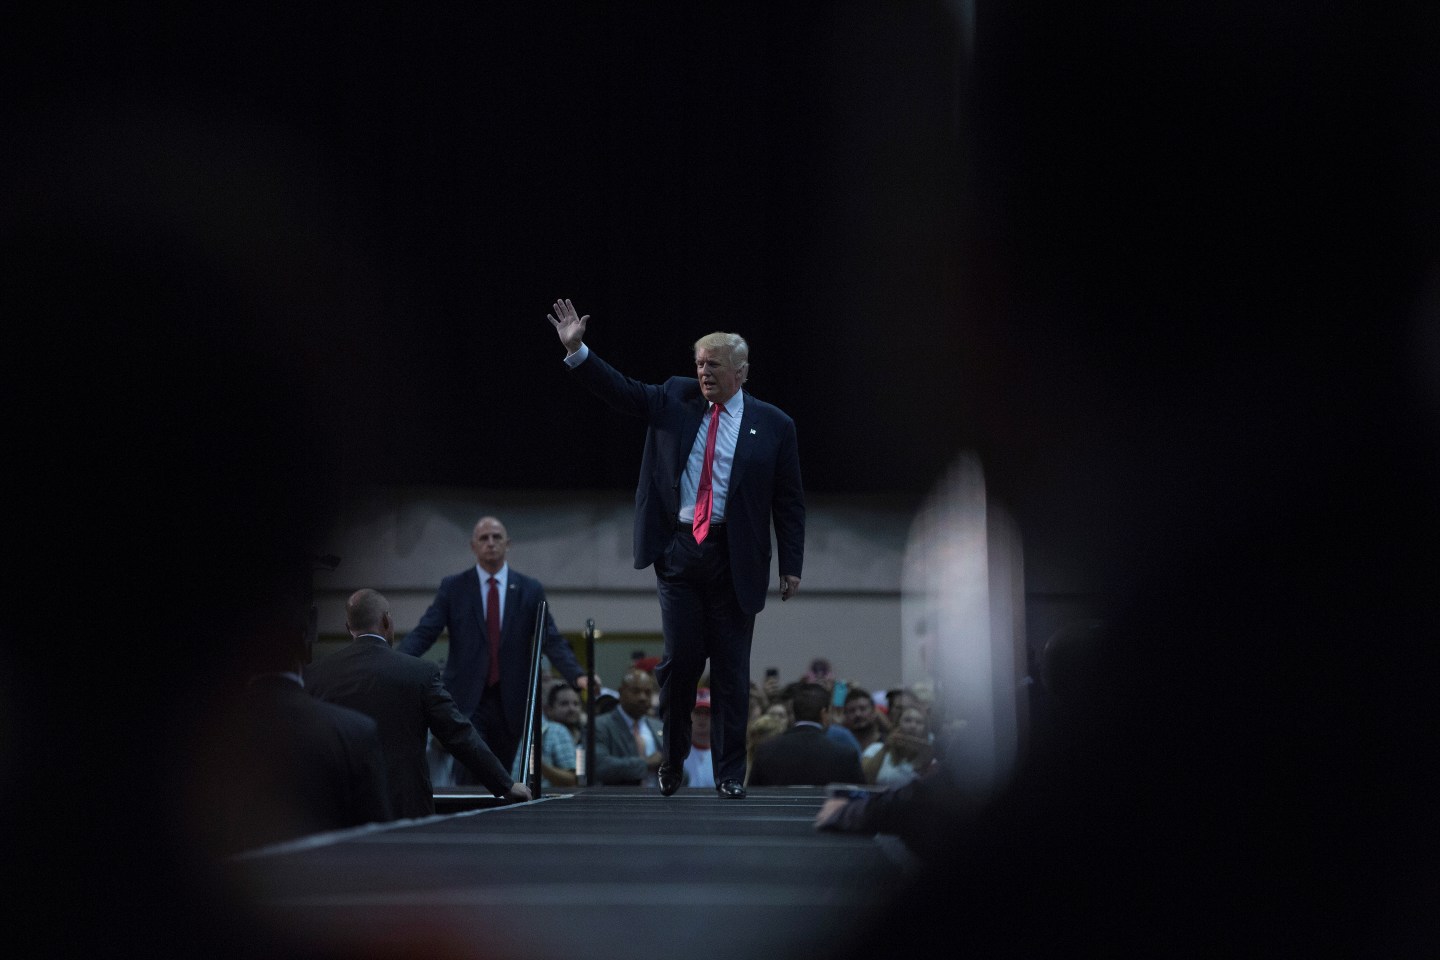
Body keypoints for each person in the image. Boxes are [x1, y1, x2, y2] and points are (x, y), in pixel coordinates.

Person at [550, 298, 805, 801]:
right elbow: (621, 391)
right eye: (700, 364)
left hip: (736, 557)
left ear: (741, 372)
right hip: (680, 551)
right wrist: (578, 351)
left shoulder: (775, 425)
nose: (703, 372)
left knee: (731, 671)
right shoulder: (674, 396)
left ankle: (729, 774)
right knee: (682, 663)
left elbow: (789, 501)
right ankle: (673, 758)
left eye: (714, 365)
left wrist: (791, 565)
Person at [306, 588, 531, 819]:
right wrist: (505, 784)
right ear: (386, 621)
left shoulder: (316, 675)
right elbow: (457, 733)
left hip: (338, 810)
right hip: (404, 808)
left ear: (348, 628)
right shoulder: (419, 673)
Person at [190, 607, 392, 857]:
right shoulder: (355, 731)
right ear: (304, 646)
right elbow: (375, 841)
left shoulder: (210, 737)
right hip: (326, 873)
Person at [399, 516, 589, 777]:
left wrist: (577, 675)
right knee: (469, 770)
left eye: (496, 537)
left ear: (507, 544)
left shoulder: (529, 589)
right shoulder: (454, 587)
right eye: (484, 538)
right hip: (467, 698)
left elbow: (551, 638)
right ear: (473, 546)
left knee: (502, 776)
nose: (490, 543)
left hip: (510, 700)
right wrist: (395, 660)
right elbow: (426, 631)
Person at [747, 682, 865, 787]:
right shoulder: (845, 756)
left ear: (793, 713)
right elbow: (860, 799)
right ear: (824, 713)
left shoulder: (765, 752)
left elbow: (753, 798)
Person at [592, 669, 667, 786]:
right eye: (635, 691)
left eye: (647, 692)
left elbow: (683, 775)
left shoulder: (660, 727)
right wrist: (646, 764)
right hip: (619, 796)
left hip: (658, 795)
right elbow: (599, 766)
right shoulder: (600, 726)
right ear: (620, 692)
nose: (642, 697)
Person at [513, 682, 584, 788]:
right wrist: (537, 763)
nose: (571, 709)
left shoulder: (583, 734)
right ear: (548, 709)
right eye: (564, 704)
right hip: (545, 795)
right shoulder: (556, 730)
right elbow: (572, 780)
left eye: (576, 704)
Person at [861, 705, 935, 788]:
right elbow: (865, 779)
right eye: (907, 720)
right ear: (897, 725)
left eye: (919, 722)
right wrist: (886, 747)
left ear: (925, 729)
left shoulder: (928, 758)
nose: (913, 726)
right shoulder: (875, 748)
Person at [682, 688, 716, 789]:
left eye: (707, 713)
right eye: (697, 712)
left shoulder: (723, 754)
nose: (702, 717)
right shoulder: (678, 753)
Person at [841, 687, 888, 757]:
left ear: (874, 712)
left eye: (863, 709)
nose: (858, 714)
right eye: (852, 710)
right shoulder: (841, 747)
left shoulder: (887, 744)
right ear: (845, 715)